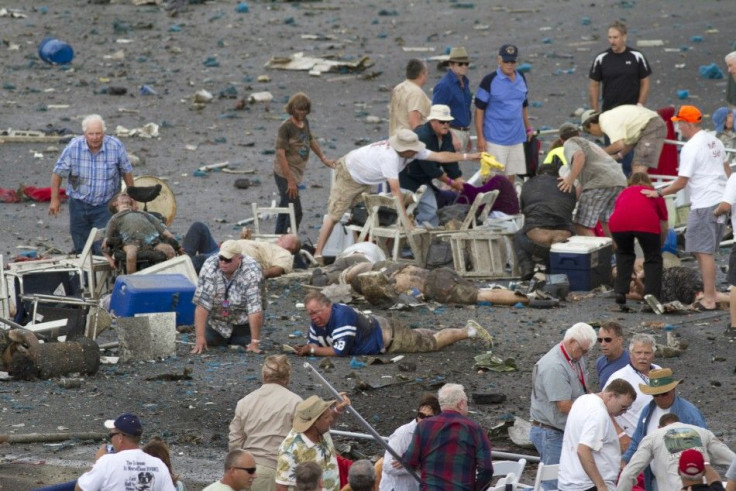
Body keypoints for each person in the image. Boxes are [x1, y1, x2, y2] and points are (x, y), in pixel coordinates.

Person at [312, 130, 479, 260]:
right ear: (404, 149)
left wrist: (468, 156)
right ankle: (318, 253)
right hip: (349, 173)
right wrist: (406, 223)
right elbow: (395, 191)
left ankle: (361, 250)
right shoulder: (389, 157)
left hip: (366, 177)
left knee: (361, 214)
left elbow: (440, 156)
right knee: (335, 214)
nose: (416, 153)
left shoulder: (412, 151)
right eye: (413, 151)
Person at [642, 105, 730, 311]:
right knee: (702, 250)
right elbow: (726, 168)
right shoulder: (713, 140)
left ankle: (709, 297)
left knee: (703, 251)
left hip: (705, 203)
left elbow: (682, 181)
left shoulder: (692, 147)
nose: (679, 128)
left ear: (687, 123)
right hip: (718, 200)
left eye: (680, 123)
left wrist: (659, 193)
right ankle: (711, 292)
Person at [292, 291, 493, 357]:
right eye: (310, 314)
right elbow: (316, 343)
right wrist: (307, 347)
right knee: (419, 335)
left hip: (390, 337)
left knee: (431, 343)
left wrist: (311, 351)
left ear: (327, 306)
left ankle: (468, 331)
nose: (313, 318)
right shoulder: (318, 321)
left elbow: (339, 351)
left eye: (316, 312)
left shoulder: (342, 314)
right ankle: (449, 331)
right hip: (384, 328)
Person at [49, 114, 135, 254]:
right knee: (81, 246)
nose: (95, 137)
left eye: (98, 133)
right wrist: (54, 199)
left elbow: (127, 172)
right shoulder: (73, 147)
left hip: (106, 205)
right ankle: (84, 274)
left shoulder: (115, 146)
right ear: (84, 134)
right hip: (79, 204)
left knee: (102, 246)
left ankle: (104, 274)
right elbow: (57, 173)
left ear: (104, 133)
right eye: (91, 134)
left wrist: (132, 197)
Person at [529, 322, 597, 489]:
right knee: (552, 483)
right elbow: (564, 406)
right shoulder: (555, 366)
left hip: (560, 430)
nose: (585, 354)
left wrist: (595, 399)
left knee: (564, 479)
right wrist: (594, 411)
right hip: (550, 432)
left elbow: (582, 386)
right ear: (572, 341)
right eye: (584, 350)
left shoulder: (575, 356)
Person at [622, 368, 707, 491]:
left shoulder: (689, 413)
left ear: (673, 389)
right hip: (655, 479)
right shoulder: (647, 411)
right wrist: (625, 459)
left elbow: (703, 444)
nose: (660, 397)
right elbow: (638, 440)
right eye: (656, 394)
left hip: (682, 482)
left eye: (664, 393)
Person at [229, 355, 303, 491]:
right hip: (278, 470)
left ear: (264, 376)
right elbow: (302, 442)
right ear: (287, 378)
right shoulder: (296, 402)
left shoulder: (245, 402)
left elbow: (235, 441)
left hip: (247, 468)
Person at [588, 20, 652, 176]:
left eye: (615, 37)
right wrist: (595, 111)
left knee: (629, 157)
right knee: (611, 159)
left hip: (631, 116)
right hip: (609, 116)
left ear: (624, 37)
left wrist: (640, 104)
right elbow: (594, 84)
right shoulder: (601, 58)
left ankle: (630, 189)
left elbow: (645, 82)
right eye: (610, 37)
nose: (612, 41)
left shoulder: (637, 56)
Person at [403, 383, 494, 490]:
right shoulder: (474, 429)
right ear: (460, 404)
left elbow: (410, 460)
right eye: (466, 403)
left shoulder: (423, 426)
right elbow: (486, 469)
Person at [617, 414, 735, 491]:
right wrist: (705, 464)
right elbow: (732, 461)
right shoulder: (702, 432)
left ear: (659, 427)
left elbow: (628, 474)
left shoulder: (652, 437)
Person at [558, 379, 637, 491]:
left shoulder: (583, 399)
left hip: (571, 481)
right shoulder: (598, 414)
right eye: (623, 407)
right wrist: (601, 486)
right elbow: (583, 450)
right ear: (611, 396)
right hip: (589, 485)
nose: (624, 412)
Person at [273, 92, 335, 235]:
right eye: (298, 109)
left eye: (304, 110)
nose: (301, 113)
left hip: (296, 172)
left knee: (285, 207)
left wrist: (323, 158)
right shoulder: (286, 127)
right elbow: (280, 154)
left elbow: (310, 140)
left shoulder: (305, 122)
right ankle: (288, 239)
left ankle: (278, 238)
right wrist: (290, 181)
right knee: (295, 212)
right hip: (284, 173)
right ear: (292, 109)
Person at [191, 240, 264, 354]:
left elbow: (255, 309)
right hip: (216, 324)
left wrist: (255, 342)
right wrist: (199, 338)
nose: (223, 262)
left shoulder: (252, 271)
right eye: (221, 258)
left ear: (239, 258)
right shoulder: (210, 267)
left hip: (241, 325)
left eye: (228, 259)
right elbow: (202, 305)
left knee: (244, 344)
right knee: (208, 341)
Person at [608, 172, 668, 309]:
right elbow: (664, 224)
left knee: (624, 255)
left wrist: (617, 243)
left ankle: (620, 291)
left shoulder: (623, 192)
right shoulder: (654, 193)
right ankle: (651, 296)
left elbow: (618, 213)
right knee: (653, 258)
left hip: (618, 224)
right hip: (646, 223)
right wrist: (660, 244)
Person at [557, 122, 627, 236]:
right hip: (619, 181)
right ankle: (616, 251)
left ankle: (596, 253)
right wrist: (574, 200)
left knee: (581, 226)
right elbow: (582, 182)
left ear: (561, 140)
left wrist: (569, 180)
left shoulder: (571, 142)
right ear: (578, 133)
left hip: (600, 183)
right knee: (606, 221)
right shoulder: (590, 144)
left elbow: (579, 156)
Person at [475, 44, 532, 182]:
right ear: (499, 60)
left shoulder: (521, 78)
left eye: (512, 61)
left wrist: (528, 128)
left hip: (517, 137)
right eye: (506, 61)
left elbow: (523, 105)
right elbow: (479, 110)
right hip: (495, 138)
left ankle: (507, 202)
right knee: (493, 178)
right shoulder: (488, 81)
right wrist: (480, 137)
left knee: (511, 176)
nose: (509, 64)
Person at [399, 104, 464, 227]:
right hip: (406, 178)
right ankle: (413, 237)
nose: (446, 125)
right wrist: (452, 183)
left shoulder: (446, 134)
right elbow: (431, 170)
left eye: (448, 122)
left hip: (423, 180)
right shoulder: (423, 136)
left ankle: (427, 239)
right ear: (432, 121)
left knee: (430, 209)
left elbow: (449, 158)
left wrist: (458, 177)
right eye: (442, 121)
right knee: (405, 211)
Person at [75, 413, 175, 491]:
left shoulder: (107, 462)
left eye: (111, 435)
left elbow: (80, 489)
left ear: (120, 438)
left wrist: (97, 463)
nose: (111, 440)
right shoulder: (159, 465)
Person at [514, 157, 576, 280]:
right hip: (563, 238)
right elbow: (570, 209)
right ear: (558, 174)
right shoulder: (568, 185)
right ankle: (552, 269)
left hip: (537, 236)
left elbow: (523, 210)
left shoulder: (528, 184)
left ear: (538, 174)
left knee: (518, 236)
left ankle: (527, 267)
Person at [275, 395, 351, 491]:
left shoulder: (322, 430)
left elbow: (327, 420)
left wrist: (337, 410)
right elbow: (281, 486)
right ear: (314, 422)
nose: (331, 419)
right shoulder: (290, 449)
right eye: (327, 417)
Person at [181, 221, 300, 276]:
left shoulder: (285, 254)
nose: (282, 235)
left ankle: (178, 267)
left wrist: (258, 275)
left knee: (201, 260)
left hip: (231, 257)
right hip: (223, 248)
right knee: (199, 227)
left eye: (286, 237)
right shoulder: (269, 245)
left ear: (292, 245)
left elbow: (278, 269)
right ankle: (182, 258)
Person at [102, 192, 180, 273]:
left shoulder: (144, 214)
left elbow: (165, 232)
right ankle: (132, 282)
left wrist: (178, 247)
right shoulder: (115, 218)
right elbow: (105, 244)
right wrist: (110, 260)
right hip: (130, 242)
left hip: (153, 242)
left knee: (170, 250)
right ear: (115, 203)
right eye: (122, 195)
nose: (125, 195)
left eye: (127, 195)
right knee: (131, 254)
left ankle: (172, 279)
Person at [380, 394, 441, 491]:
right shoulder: (402, 433)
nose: (423, 420)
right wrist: (413, 465)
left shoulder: (436, 435)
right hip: (397, 487)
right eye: (421, 415)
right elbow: (387, 466)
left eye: (428, 417)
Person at [604, 333, 660, 439]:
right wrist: (621, 435)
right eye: (638, 353)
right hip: (632, 438)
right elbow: (605, 410)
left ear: (653, 354)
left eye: (647, 353)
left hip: (658, 436)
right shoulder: (619, 377)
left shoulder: (660, 371)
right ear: (630, 354)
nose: (642, 357)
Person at [581, 105, 666, 174]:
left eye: (589, 132)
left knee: (639, 169)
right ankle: (638, 191)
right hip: (650, 124)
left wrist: (597, 153)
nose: (593, 135)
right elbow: (630, 142)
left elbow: (618, 145)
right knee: (636, 169)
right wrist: (618, 156)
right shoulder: (610, 117)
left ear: (591, 125)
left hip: (652, 125)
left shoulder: (606, 121)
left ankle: (638, 192)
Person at [432, 46, 473, 152]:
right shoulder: (444, 85)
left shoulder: (465, 82)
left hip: (463, 131)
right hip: (451, 132)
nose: (464, 66)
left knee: (458, 167)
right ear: (451, 65)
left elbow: (464, 109)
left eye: (466, 64)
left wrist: (466, 134)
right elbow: (436, 114)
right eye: (460, 64)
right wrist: (451, 136)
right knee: (450, 167)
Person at [716, 167, 736, 333]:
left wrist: (715, 213)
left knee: (735, 283)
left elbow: (725, 206)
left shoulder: (735, 178)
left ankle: (735, 325)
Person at [389, 59, 431, 136]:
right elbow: (414, 122)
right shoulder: (416, 93)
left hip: (395, 138)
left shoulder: (398, 88)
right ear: (421, 74)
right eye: (427, 72)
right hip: (409, 142)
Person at [595, 321, 630, 388]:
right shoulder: (600, 362)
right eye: (600, 340)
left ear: (619, 340)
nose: (603, 344)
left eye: (607, 340)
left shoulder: (632, 361)